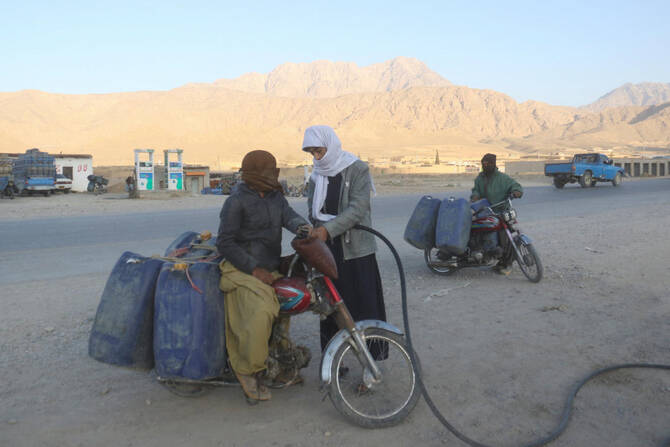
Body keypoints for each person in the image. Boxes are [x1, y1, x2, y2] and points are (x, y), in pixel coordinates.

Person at [216, 150, 310, 403]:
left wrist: (302, 227)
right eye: (269, 172)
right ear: (255, 174)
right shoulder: (236, 201)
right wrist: (254, 269)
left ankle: (278, 362)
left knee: (288, 303)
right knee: (262, 311)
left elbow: (289, 216)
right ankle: (248, 371)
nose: (274, 176)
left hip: (270, 269)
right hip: (241, 270)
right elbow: (225, 242)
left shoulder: (275, 197)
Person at [301, 125, 387, 361]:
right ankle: (334, 361)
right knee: (330, 306)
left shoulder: (357, 169)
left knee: (364, 304)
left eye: (319, 151)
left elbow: (358, 208)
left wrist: (327, 230)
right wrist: (314, 229)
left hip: (356, 250)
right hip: (327, 250)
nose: (317, 157)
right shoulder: (317, 174)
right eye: (312, 153)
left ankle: (372, 362)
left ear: (330, 146)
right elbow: (313, 208)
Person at [470, 153, 523, 274]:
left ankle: (506, 263)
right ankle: (486, 255)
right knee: (483, 233)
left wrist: (516, 191)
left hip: (502, 211)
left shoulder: (502, 178)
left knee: (506, 238)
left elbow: (515, 185)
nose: (485, 166)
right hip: (486, 211)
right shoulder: (479, 178)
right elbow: (476, 190)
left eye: (487, 163)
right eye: (483, 164)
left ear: (493, 164)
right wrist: (475, 196)